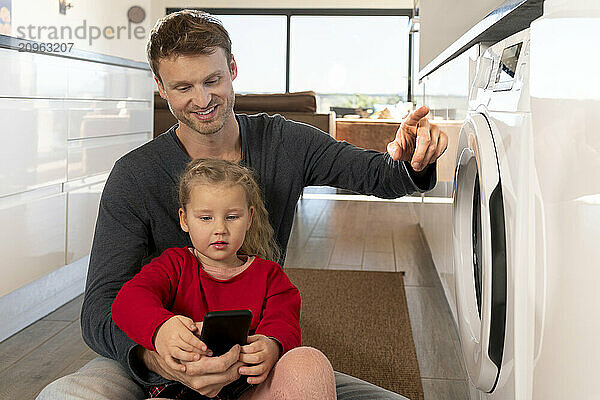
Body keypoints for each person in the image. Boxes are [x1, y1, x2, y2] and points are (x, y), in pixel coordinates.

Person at [38, 9, 447, 400]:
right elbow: (100, 308)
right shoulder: (133, 176)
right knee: (64, 395)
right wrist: (157, 356)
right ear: (161, 89)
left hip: (250, 361)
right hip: (153, 357)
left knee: (318, 377)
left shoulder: (285, 142)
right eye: (182, 87)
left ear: (232, 68)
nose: (202, 99)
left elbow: (380, 174)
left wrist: (411, 158)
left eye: (212, 79)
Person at [111, 158, 336, 399]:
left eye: (231, 217)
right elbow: (128, 300)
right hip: (181, 386)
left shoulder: (270, 275)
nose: (220, 229)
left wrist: (272, 345)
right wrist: (161, 329)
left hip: (248, 386)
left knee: (310, 362)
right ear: (184, 219)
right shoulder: (173, 265)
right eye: (206, 218)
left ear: (249, 217)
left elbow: (285, 323)